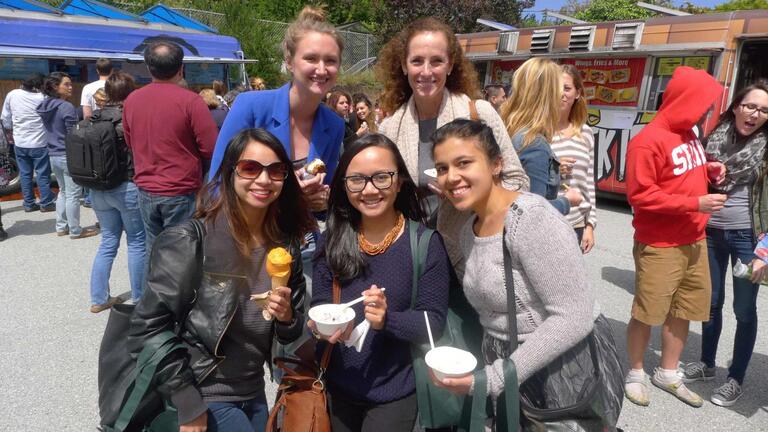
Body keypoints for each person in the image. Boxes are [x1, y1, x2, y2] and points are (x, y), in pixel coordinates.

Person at [128, 128, 314, 432]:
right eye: (250, 168)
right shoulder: (190, 240)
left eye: (276, 170)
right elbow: (146, 328)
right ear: (229, 172)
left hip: (253, 390)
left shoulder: (285, 246)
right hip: (204, 390)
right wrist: (187, 400)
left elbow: (290, 332)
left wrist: (287, 316)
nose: (264, 180)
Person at [430, 119, 595, 429]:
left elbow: (575, 314)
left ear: (496, 164)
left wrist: (496, 377)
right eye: (441, 168)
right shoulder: (469, 230)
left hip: (554, 372)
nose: (451, 177)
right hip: (508, 372)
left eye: (463, 163)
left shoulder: (531, 218)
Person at [309, 133, 450, 432]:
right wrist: (320, 327)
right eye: (357, 180)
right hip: (336, 388)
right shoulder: (332, 240)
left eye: (382, 178)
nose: (370, 189)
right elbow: (321, 303)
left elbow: (433, 322)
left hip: (394, 394)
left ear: (399, 182)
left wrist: (387, 320)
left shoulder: (425, 244)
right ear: (344, 185)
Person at [377, 17, 528, 275]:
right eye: (417, 61)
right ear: (404, 66)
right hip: (414, 259)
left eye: (436, 61)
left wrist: (469, 193)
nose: (426, 71)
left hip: (476, 258)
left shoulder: (478, 113)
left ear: (450, 65)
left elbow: (518, 182)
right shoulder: (390, 128)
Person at [624, 66, 727, 408]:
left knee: (684, 310)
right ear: (684, 101)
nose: (706, 111)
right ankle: (636, 373)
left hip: (694, 240)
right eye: (702, 105)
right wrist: (694, 202)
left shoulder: (690, 134)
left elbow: (682, 171)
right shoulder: (647, 141)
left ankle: (668, 373)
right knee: (647, 312)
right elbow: (640, 195)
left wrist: (708, 169)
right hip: (660, 244)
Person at [681, 81, 768, 406]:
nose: (755, 114)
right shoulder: (712, 140)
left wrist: (765, 252)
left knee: (744, 310)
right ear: (736, 107)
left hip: (749, 238)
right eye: (750, 106)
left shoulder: (766, 148)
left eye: (763, 110)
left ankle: (736, 378)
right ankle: (706, 363)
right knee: (711, 303)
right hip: (710, 232)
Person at [123, 41, 218, 254]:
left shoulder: (132, 100)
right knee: (180, 255)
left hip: (146, 188)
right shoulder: (191, 101)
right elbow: (210, 147)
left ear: (149, 67)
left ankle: (149, 288)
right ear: (181, 67)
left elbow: (130, 142)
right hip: (181, 190)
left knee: (154, 251)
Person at [88, 71, 146, 313]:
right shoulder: (129, 118)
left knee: (108, 241)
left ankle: (98, 298)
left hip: (98, 188)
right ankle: (140, 299)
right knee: (137, 242)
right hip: (126, 186)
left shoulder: (94, 118)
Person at [501, 58, 583, 216]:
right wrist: (567, 201)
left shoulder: (509, 129)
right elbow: (532, 214)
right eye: (559, 89)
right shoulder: (534, 143)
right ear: (549, 95)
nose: (562, 95)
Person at [37, 72, 99, 239]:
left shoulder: (45, 105)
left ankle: (61, 226)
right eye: (66, 84)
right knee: (72, 194)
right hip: (67, 154)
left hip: (53, 154)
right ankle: (75, 230)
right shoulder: (66, 107)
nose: (70, 87)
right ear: (55, 87)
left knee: (63, 192)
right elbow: (73, 134)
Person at [551, 64, 597, 252]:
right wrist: (553, 168)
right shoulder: (539, 131)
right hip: (547, 220)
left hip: (576, 224)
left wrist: (590, 225)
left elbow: (589, 182)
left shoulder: (585, 133)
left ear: (577, 93)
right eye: (556, 88)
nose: (561, 93)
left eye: (567, 88)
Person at [1, 73, 55, 212]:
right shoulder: (43, 98)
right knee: (43, 174)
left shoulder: (13, 94)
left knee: (25, 174)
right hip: (40, 143)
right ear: (39, 85)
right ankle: (46, 203)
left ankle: (29, 204)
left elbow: (6, 119)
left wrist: (11, 131)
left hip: (20, 142)